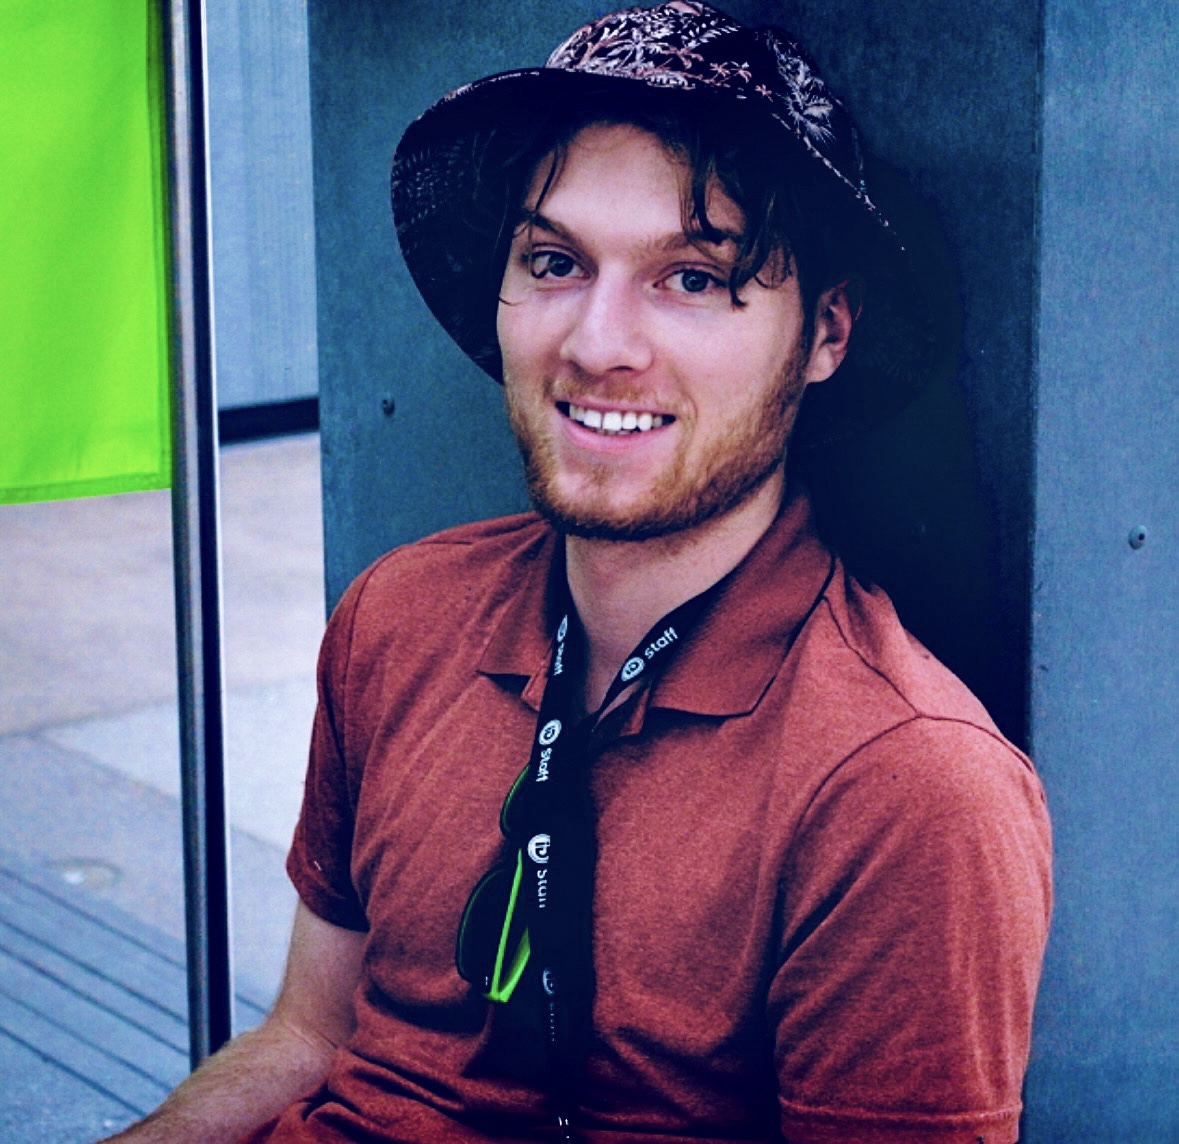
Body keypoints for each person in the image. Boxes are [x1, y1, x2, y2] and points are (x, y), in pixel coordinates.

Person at [108, 3, 1051, 1142]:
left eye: (693, 277)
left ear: (824, 335)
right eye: (554, 262)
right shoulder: (399, 615)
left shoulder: (905, 788)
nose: (598, 342)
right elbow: (310, 1036)